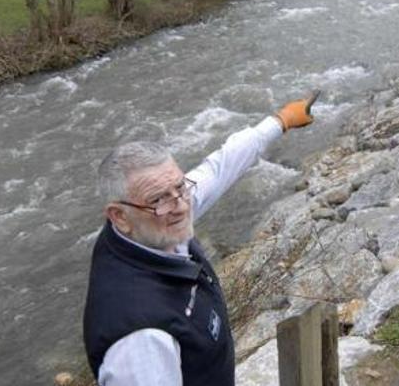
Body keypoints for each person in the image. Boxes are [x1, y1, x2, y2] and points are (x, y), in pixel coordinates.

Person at [83, 93, 319, 386]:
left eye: (180, 187)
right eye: (159, 198)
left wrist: (280, 121)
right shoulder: (140, 340)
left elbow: (219, 169)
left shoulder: (151, 224)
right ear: (118, 215)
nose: (181, 205)